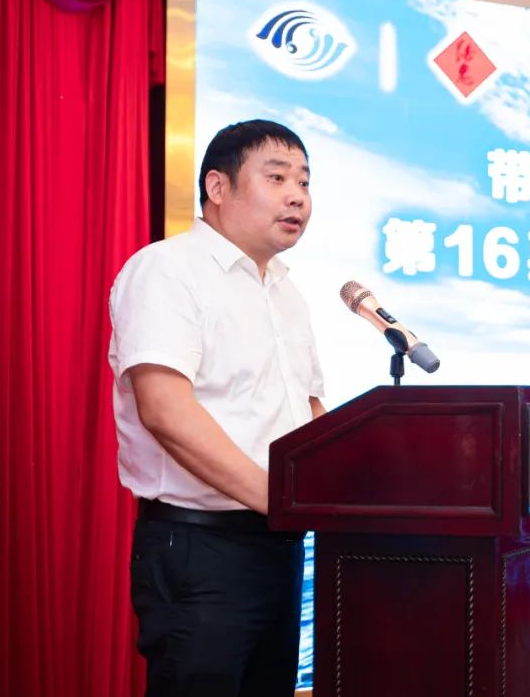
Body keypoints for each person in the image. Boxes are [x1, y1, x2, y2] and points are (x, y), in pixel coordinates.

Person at [108, 119, 326, 697]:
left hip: (279, 546)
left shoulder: (286, 292)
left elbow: (308, 410)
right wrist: (278, 499)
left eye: (304, 182)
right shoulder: (167, 270)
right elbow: (164, 410)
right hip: (199, 550)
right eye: (277, 178)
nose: (297, 196)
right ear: (218, 187)